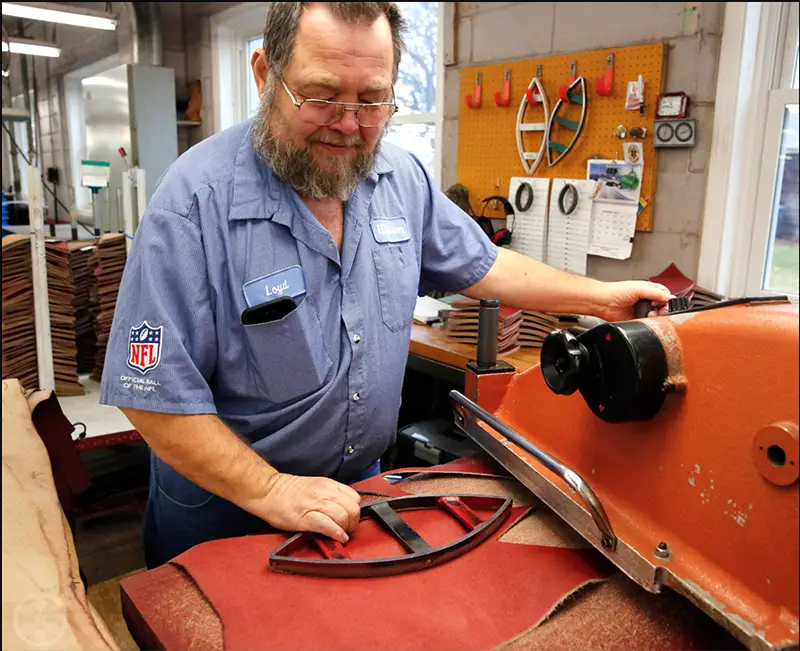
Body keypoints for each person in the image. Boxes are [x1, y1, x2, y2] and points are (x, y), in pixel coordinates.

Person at [100, 2, 670, 568]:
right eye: (322, 96)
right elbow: (151, 396)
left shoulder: (401, 179)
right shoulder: (193, 205)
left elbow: (486, 265)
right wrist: (271, 491)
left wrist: (603, 297)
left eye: (372, 100)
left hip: (358, 496)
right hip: (227, 513)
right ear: (263, 74)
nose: (349, 124)